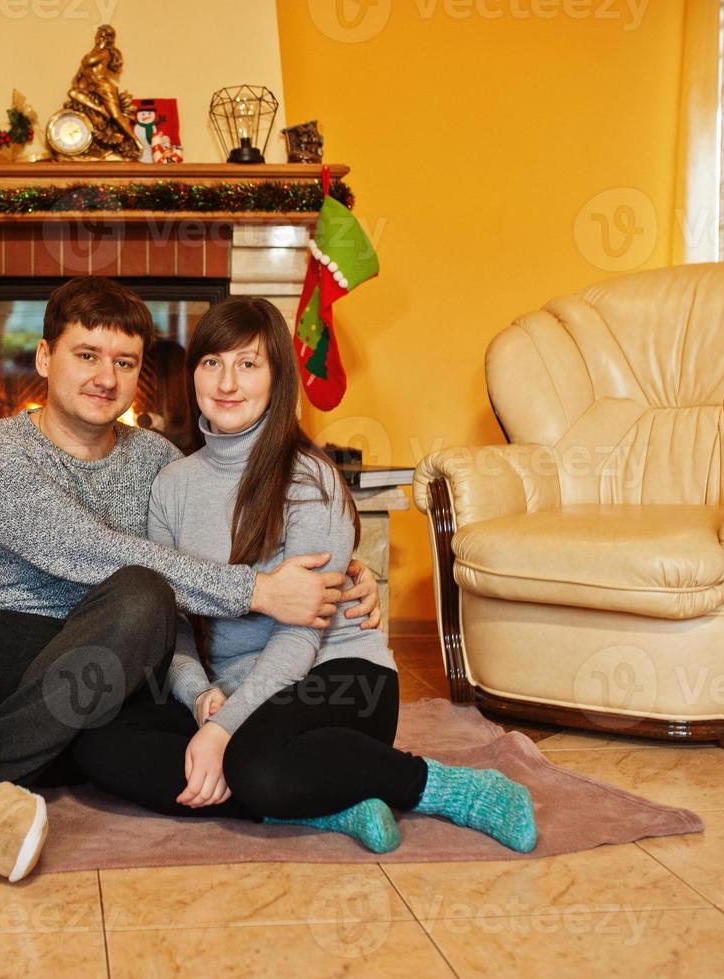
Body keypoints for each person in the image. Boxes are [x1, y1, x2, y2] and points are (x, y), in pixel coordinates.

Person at [0, 277, 384, 881]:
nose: (105, 378)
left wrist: (343, 565)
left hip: (101, 675)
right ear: (44, 358)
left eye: (124, 363)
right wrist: (258, 591)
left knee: (144, 594)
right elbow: (86, 549)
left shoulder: (161, 462)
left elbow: (209, 543)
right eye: (86, 355)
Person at [73, 296, 538, 854]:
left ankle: (441, 786)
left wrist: (221, 732)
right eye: (211, 362)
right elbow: (168, 618)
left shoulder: (309, 479)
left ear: (277, 379)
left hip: (338, 679)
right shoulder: (172, 485)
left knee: (254, 762)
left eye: (248, 364)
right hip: (232, 689)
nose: (227, 382)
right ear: (191, 373)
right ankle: (327, 802)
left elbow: (301, 633)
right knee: (96, 736)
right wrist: (201, 700)